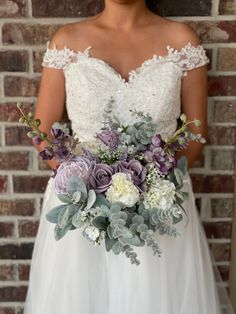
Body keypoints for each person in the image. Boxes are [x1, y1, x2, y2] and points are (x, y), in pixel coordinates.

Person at [23, 1, 234, 313]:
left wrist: (150, 188)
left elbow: (194, 136)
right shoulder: (67, 41)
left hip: (160, 205)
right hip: (83, 207)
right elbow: (43, 135)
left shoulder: (182, 41)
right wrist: (87, 184)